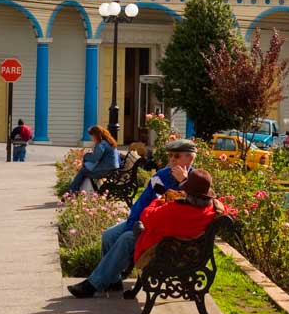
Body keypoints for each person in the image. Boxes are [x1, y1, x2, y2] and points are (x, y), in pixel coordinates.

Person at [67, 138, 197, 297]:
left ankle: (93, 284)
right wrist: (133, 223)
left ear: (190, 158)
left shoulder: (197, 180)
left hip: (167, 234)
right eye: (170, 155)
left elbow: (197, 205)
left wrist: (183, 182)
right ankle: (113, 280)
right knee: (109, 235)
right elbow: (143, 202)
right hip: (145, 221)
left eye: (176, 156)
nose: (171, 159)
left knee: (127, 238)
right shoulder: (162, 175)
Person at [67, 125, 120, 193]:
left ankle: (71, 192)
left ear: (96, 135)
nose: (91, 138)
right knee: (84, 170)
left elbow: (95, 158)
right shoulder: (108, 141)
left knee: (83, 171)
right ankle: (75, 191)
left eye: (92, 136)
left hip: (106, 170)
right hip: (112, 169)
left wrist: (85, 156)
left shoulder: (101, 144)